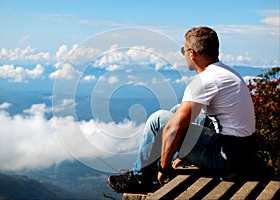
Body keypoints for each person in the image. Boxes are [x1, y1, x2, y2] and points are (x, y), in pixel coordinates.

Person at [107, 26, 257, 194]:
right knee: (177, 110)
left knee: (159, 120)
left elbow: (174, 128)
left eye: (183, 51)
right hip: (242, 154)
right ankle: (151, 168)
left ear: (192, 54)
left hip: (227, 162)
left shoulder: (206, 80)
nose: (184, 55)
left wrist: (164, 168)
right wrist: (179, 154)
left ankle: (141, 178)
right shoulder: (226, 72)